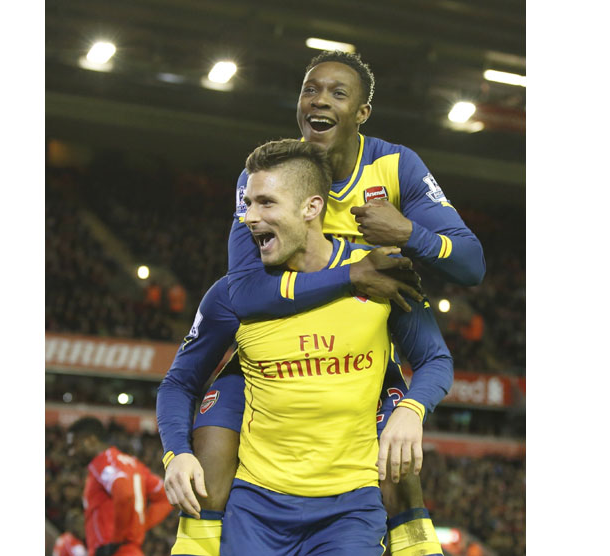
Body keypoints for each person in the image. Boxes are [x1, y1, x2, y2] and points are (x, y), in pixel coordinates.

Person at [172, 51, 484, 555]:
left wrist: (409, 233)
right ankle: (197, 545)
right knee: (210, 438)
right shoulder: (270, 178)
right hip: (272, 340)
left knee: (398, 455)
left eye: (338, 93)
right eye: (309, 90)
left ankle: (414, 543)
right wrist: (354, 275)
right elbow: (246, 292)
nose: (319, 100)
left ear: (362, 112)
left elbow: (471, 264)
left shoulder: (394, 166)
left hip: (356, 347)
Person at [67, 417, 174, 556]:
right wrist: (139, 527)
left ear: (90, 440)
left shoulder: (103, 462)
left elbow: (124, 493)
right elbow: (165, 496)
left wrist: (117, 538)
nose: (71, 452)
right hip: (131, 550)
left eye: (74, 445)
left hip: (113, 551)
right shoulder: (133, 464)